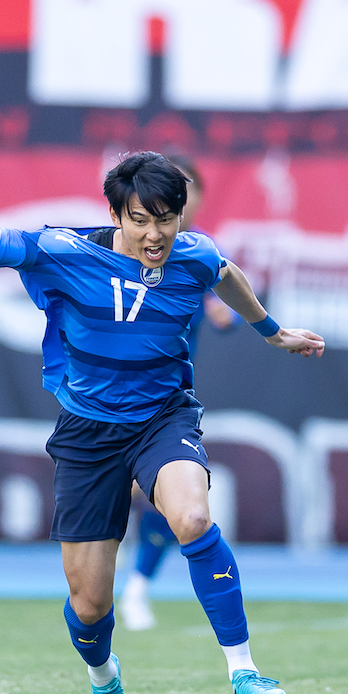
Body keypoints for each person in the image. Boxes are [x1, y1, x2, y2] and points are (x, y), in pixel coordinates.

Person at [0, 151, 324, 694]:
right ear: (116, 215)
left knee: (192, 517)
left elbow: (226, 274)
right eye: (140, 220)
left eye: (166, 220)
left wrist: (272, 332)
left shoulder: (195, 254)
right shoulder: (64, 251)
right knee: (90, 605)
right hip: (88, 435)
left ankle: (244, 669)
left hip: (163, 418)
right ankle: (104, 679)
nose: (155, 235)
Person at [119, 155, 236, 631]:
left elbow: (225, 296)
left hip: (165, 398)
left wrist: (226, 313)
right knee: (122, 490)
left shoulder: (197, 251)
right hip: (110, 391)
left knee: (170, 497)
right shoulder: (119, 246)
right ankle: (111, 568)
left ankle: (136, 587)